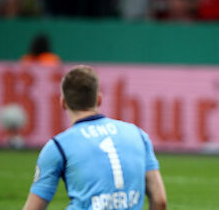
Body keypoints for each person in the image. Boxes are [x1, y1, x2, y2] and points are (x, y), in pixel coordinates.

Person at [22, 65, 167, 210]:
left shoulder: (57, 146)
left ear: (63, 103)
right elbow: (160, 200)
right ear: (98, 99)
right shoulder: (138, 135)